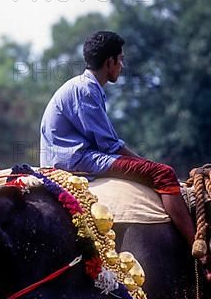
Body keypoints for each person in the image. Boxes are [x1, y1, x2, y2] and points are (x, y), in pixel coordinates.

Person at [39, 30, 195, 246]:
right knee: (164, 174)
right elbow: (109, 144)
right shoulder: (85, 89)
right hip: (75, 161)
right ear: (110, 61)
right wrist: (147, 165)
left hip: (79, 155)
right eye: (120, 60)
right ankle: (199, 250)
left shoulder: (87, 86)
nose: (121, 66)